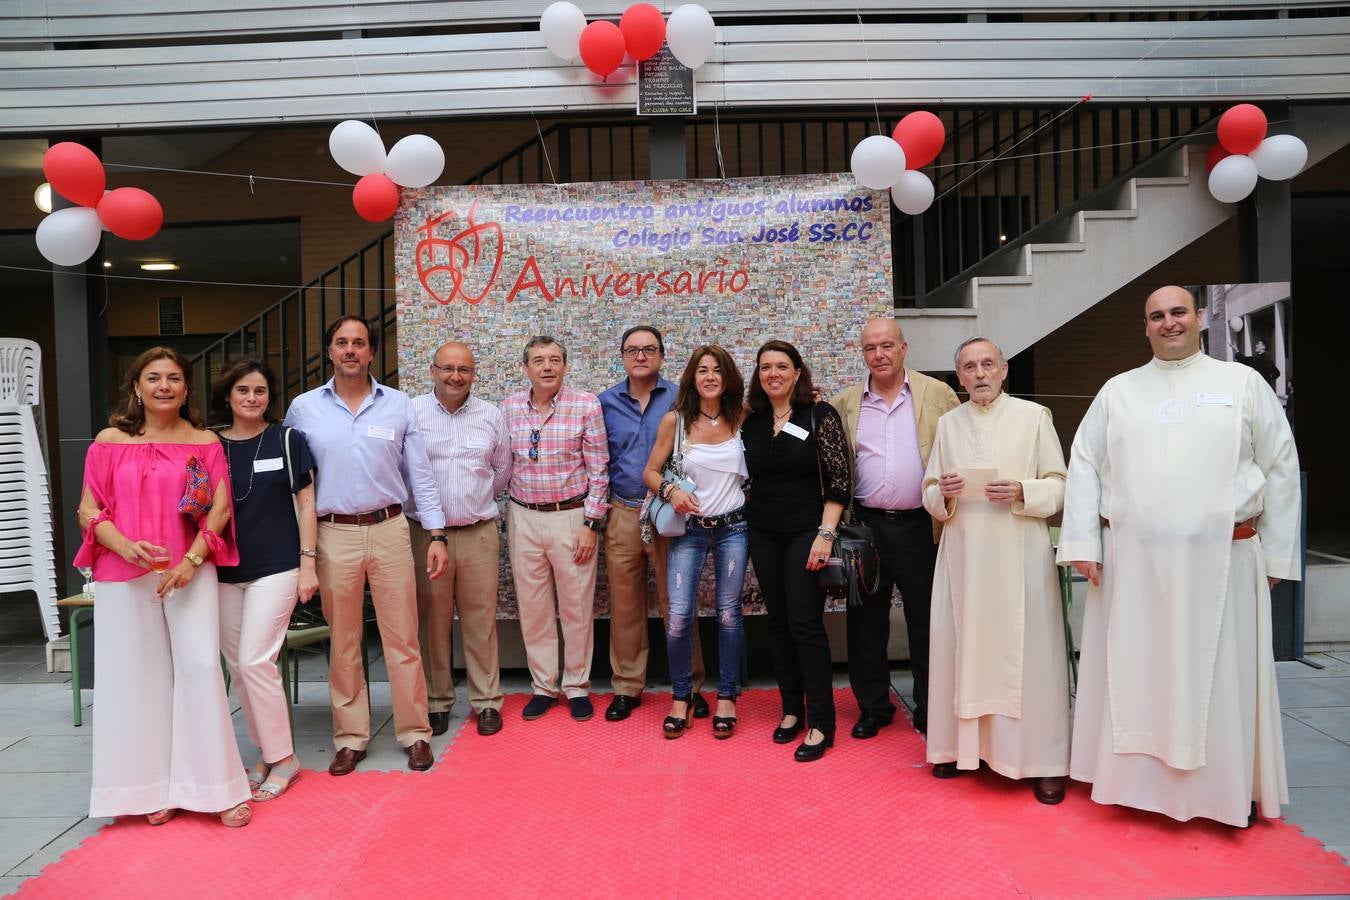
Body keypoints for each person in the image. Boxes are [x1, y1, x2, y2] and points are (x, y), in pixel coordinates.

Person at [1058, 285, 1301, 827]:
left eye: (1177, 313)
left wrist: (1280, 556)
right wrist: (1081, 542)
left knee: (1218, 678)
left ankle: (1220, 794)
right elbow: (1084, 464)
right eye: (1156, 316)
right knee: (1139, 671)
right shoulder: (1118, 392)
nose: (1168, 323)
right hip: (1133, 569)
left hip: (1225, 562)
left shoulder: (1242, 384)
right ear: (1144, 327)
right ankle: (1135, 786)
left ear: (1197, 318)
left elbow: (1281, 465)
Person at [74, 347, 251, 827]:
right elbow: (89, 510)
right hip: (123, 574)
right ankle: (148, 789)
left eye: (174, 377)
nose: (164, 386)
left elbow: (219, 509)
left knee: (199, 670)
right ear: (136, 387)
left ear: (186, 388)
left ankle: (216, 789)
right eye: (153, 377)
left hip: (189, 572)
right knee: (135, 678)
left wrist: (193, 560)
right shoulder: (108, 441)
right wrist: (126, 545)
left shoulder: (204, 440)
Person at [284, 315, 447, 776]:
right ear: (331, 352)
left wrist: (435, 534)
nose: (351, 350)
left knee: (402, 638)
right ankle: (351, 737)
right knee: (345, 641)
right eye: (341, 343)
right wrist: (302, 551)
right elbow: (295, 484)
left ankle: (415, 733)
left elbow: (421, 477)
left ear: (373, 352)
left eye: (359, 343)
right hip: (333, 532)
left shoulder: (399, 406)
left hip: (391, 527)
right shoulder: (302, 409)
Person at [921, 337, 1071, 804]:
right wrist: (942, 492)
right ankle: (957, 749)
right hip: (964, 555)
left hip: (1019, 554)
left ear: (1004, 370)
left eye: (988, 364)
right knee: (961, 647)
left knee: (1029, 656)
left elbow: (1061, 485)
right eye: (969, 367)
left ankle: (1042, 761)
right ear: (959, 377)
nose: (980, 373)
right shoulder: (948, 424)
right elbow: (927, 488)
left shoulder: (1034, 417)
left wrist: (1024, 490)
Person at [832, 317, 959, 737]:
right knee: (866, 622)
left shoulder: (937, 394)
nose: (879, 355)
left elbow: (961, 442)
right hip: (865, 528)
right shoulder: (846, 403)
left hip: (921, 527)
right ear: (863, 353)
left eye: (887, 345)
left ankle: (929, 706)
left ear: (903, 348)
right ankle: (873, 706)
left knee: (928, 620)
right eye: (870, 348)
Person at [213, 357, 319, 803]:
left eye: (259, 391)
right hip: (222, 571)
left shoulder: (288, 439)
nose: (252, 398)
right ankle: (265, 754)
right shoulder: (209, 445)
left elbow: (307, 505)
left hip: (277, 567)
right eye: (243, 391)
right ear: (228, 397)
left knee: (257, 660)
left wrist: (308, 563)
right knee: (239, 667)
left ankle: (285, 758)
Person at [742, 340, 851, 762]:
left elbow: (840, 479)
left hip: (808, 532)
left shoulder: (818, 414)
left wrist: (826, 534)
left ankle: (821, 721)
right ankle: (791, 710)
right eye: (766, 366)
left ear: (797, 372)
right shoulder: (752, 421)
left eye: (782, 366)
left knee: (805, 625)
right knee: (778, 624)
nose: (774, 374)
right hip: (763, 533)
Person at [599, 325, 707, 723]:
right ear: (623, 357)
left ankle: (692, 687)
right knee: (625, 606)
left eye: (649, 349)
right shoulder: (604, 403)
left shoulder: (683, 400)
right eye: (633, 350)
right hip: (623, 512)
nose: (641, 356)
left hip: (670, 513)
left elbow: (727, 425)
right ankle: (627, 687)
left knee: (677, 603)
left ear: (661, 356)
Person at [643, 345, 749, 739]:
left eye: (717, 371)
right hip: (689, 530)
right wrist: (671, 492)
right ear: (692, 377)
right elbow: (650, 472)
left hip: (733, 529)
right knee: (680, 616)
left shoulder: (742, 417)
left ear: (727, 378)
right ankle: (681, 697)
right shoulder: (676, 421)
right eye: (702, 370)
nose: (709, 377)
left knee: (727, 614)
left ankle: (726, 697)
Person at [503, 336, 610, 722]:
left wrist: (591, 523)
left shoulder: (585, 405)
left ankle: (577, 686)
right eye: (538, 360)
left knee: (577, 606)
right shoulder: (510, 407)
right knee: (533, 608)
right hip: (523, 515)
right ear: (525, 367)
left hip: (572, 516)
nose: (546, 367)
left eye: (554, 360)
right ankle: (543, 686)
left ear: (565, 366)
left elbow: (599, 468)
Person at [407, 342, 511, 738]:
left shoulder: (490, 415)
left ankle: (486, 702)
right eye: (447, 368)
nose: (455, 376)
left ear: (474, 374)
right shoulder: (412, 412)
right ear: (432, 370)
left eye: (464, 369)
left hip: (477, 532)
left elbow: (502, 470)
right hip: (424, 534)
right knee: (432, 621)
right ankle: (437, 701)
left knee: (481, 619)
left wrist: (474, 500)